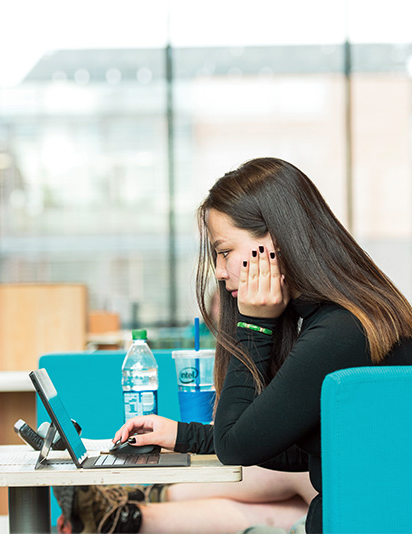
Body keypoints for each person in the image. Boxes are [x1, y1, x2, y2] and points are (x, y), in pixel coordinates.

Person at [54, 157, 412, 534]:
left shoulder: (340, 332)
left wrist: (254, 325)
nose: (220, 271)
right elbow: (289, 443)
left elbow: (237, 445)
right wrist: (181, 435)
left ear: (274, 243)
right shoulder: (349, 318)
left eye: (224, 252)